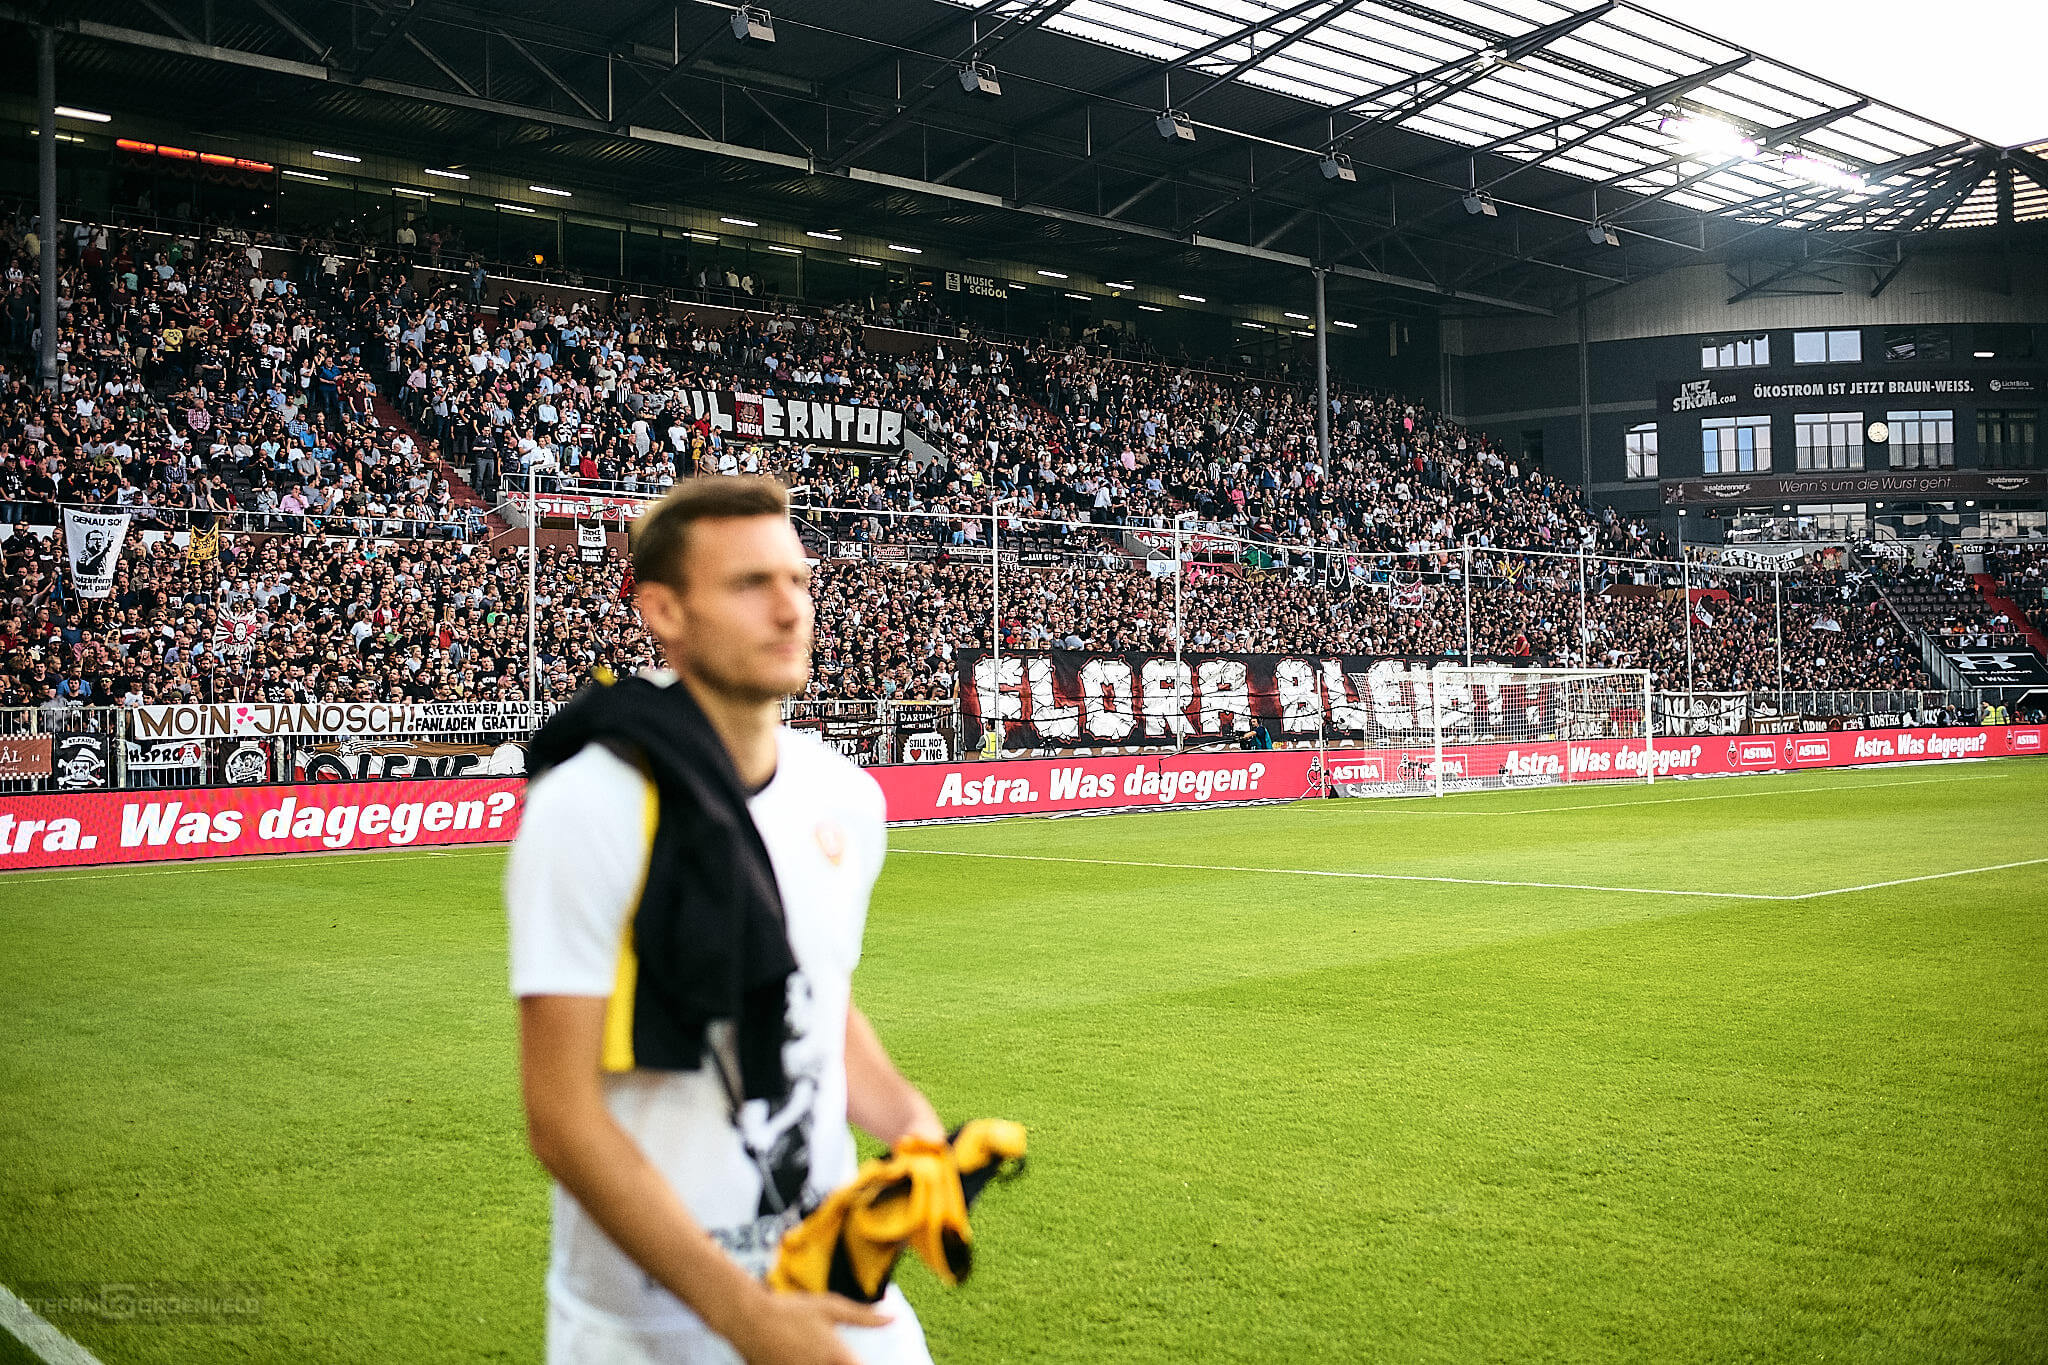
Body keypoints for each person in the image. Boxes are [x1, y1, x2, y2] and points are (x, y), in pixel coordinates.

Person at [508, 476, 944, 1365]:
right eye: (750, 584)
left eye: (799, 580)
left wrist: (914, 1125)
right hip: (651, 1323)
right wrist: (748, 1319)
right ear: (663, 610)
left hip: (832, 1279)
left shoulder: (847, 797)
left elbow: (814, 1002)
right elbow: (561, 1117)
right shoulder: (587, 808)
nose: (790, 608)